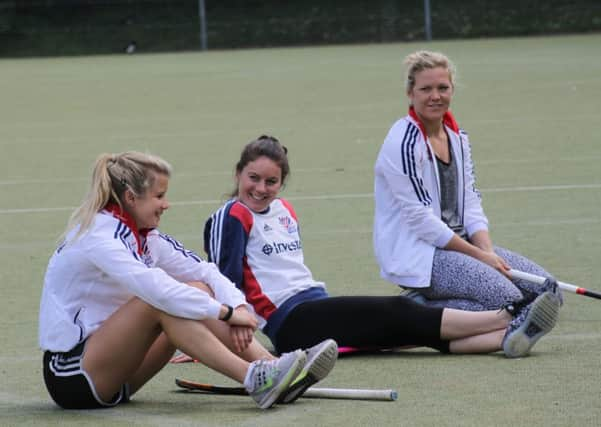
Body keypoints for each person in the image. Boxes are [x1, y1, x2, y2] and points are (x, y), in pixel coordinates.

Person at [202, 135, 561, 363]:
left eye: (271, 181)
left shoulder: (285, 211)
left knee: (409, 336)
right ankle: (509, 315)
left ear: (282, 182)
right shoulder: (232, 215)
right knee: (396, 309)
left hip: (315, 304)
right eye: (253, 178)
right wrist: (218, 334)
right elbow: (223, 279)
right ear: (238, 174)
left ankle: (506, 338)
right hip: (290, 322)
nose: (261, 188)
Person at [38, 151, 337, 410]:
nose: (166, 204)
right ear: (130, 198)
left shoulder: (145, 236)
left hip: (120, 373)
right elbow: (156, 290)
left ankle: (273, 370)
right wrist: (225, 313)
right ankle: (255, 379)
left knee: (197, 289)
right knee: (159, 302)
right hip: (72, 376)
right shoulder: (100, 236)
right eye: (159, 196)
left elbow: (205, 271)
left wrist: (238, 306)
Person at [373, 50, 559, 311]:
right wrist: (479, 257)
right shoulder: (402, 143)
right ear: (410, 93)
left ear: (452, 90)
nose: (435, 96)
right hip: (424, 255)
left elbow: (470, 199)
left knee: (548, 293)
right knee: (509, 303)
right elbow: (420, 219)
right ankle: (414, 308)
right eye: (426, 89)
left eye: (442, 88)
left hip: (462, 246)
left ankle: (439, 306)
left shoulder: (458, 137)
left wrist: (487, 251)